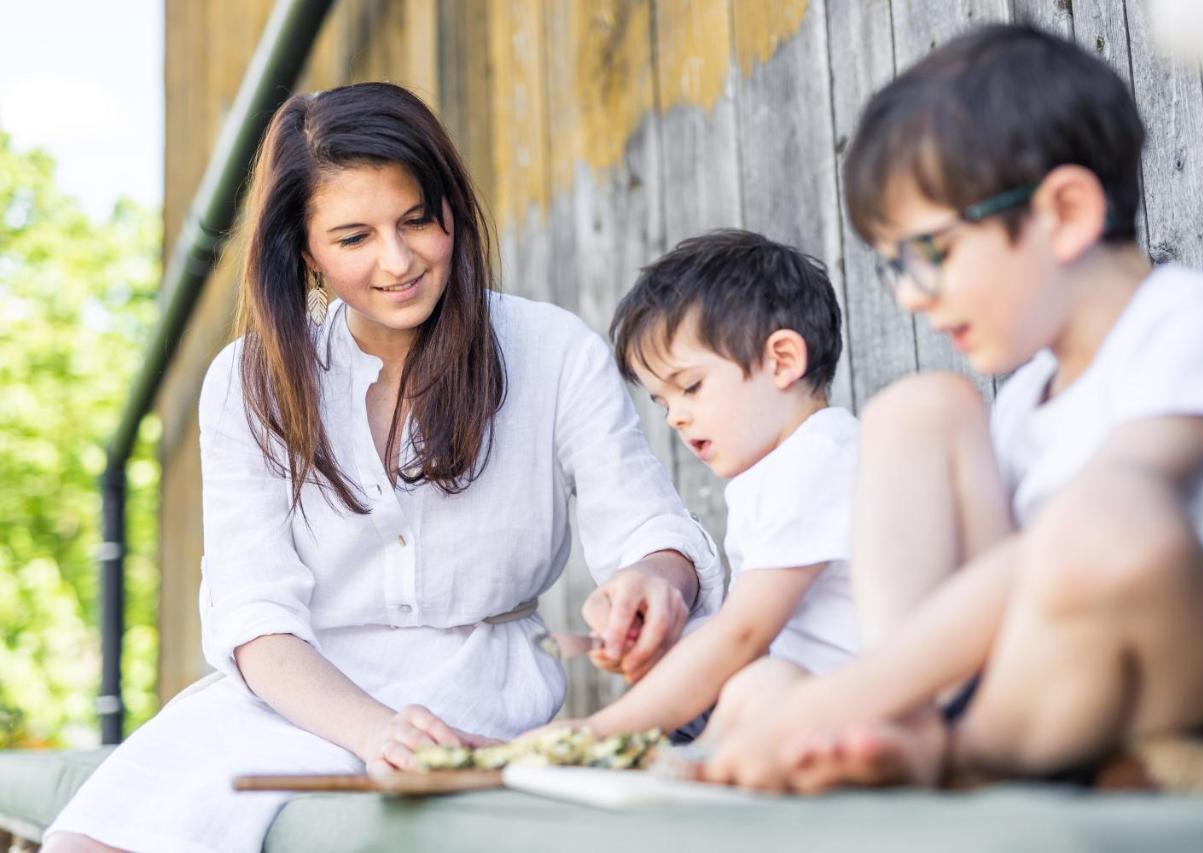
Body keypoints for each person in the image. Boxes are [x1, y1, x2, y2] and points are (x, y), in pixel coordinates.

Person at [44, 82, 721, 852]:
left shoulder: (554, 351)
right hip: (294, 697)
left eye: (415, 221)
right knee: (89, 839)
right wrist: (373, 729)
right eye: (354, 237)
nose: (397, 261)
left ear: (453, 212)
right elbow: (253, 615)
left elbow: (648, 528)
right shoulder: (248, 381)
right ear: (304, 251)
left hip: (473, 695)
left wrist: (655, 582)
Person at [703, 24, 1203, 791]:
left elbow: (1085, 540)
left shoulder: (1193, 322)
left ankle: (951, 749)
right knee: (920, 406)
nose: (910, 294)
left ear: (1065, 212)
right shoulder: (1029, 399)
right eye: (892, 267)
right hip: (1047, 678)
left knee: (1106, 517)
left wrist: (843, 698)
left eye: (929, 251)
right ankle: (917, 721)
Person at [557, 229, 860, 741]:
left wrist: (592, 733)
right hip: (804, 702)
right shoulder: (774, 471)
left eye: (690, 387)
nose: (675, 417)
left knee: (747, 687)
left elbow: (742, 634)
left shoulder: (819, 457)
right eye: (662, 402)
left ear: (782, 360)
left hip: (853, 707)